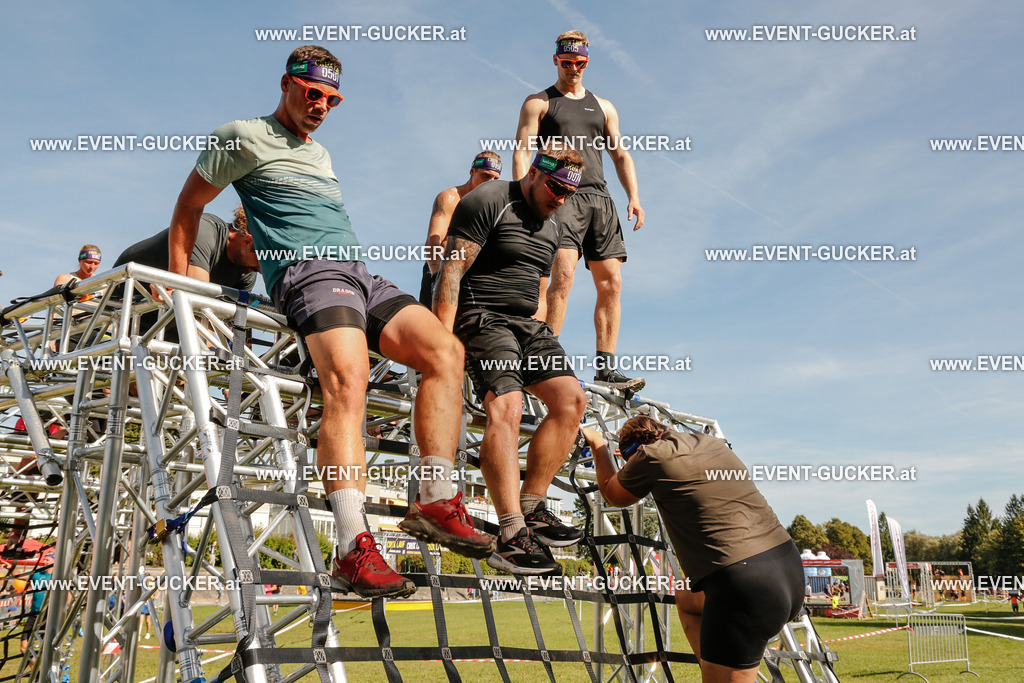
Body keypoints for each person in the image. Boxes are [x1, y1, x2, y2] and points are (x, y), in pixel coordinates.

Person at [167, 45, 494, 599]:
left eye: (332, 99)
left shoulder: (319, 153)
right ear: (286, 84)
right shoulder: (241, 136)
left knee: (447, 353)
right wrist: (184, 290)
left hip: (359, 273)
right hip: (307, 272)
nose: (321, 105)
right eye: (312, 92)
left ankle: (436, 501)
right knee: (350, 377)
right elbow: (188, 208)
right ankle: (351, 548)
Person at [434, 144, 587, 575]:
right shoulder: (489, 199)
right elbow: (451, 272)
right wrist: (439, 349)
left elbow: (540, 293)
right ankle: (512, 533)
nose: (560, 198)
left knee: (572, 400)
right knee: (509, 407)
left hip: (527, 326)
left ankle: (533, 504)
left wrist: (543, 340)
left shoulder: (553, 226)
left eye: (569, 193)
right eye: (555, 187)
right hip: (481, 316)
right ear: (535, 172)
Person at [584, 418, 804, 682]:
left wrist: (598, 445)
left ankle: (719, 671)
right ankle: (715, 666)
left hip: (744, 585)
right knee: (686, 598)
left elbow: (613, 494)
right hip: (788, 567)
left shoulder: (649, 455)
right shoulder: (712, 443)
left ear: (633, 451)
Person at [514, 31, 646, 394]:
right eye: (567, 62)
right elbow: (523, 149)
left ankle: (606, 369)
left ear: (587, 61)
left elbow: (620, 154)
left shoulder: (604, 107)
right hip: (560, 196)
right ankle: (543, 360)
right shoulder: (539, 102)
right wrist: (521, 194)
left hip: (598, 198)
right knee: (563, 278)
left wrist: (634, 196)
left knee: (612, 283)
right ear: (556, 60)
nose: (573, 68)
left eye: (580, 62)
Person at [419, 152, 502, 307]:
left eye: (495, 179)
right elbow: (433, 241)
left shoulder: (493, 205)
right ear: (472, 172)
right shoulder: (450, 198)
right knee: (431, 322)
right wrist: (437, 277)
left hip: (470, 278)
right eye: (485, 176)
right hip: (441, 269)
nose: (490, 182)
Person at [114, 206, 260, 291]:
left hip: (167, 316)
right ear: (248, 241)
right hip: (124, 296)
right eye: (260, 262)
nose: (261, 270)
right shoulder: (203, 230)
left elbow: (234, 324)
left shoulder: (248, 270)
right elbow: (197, 299)